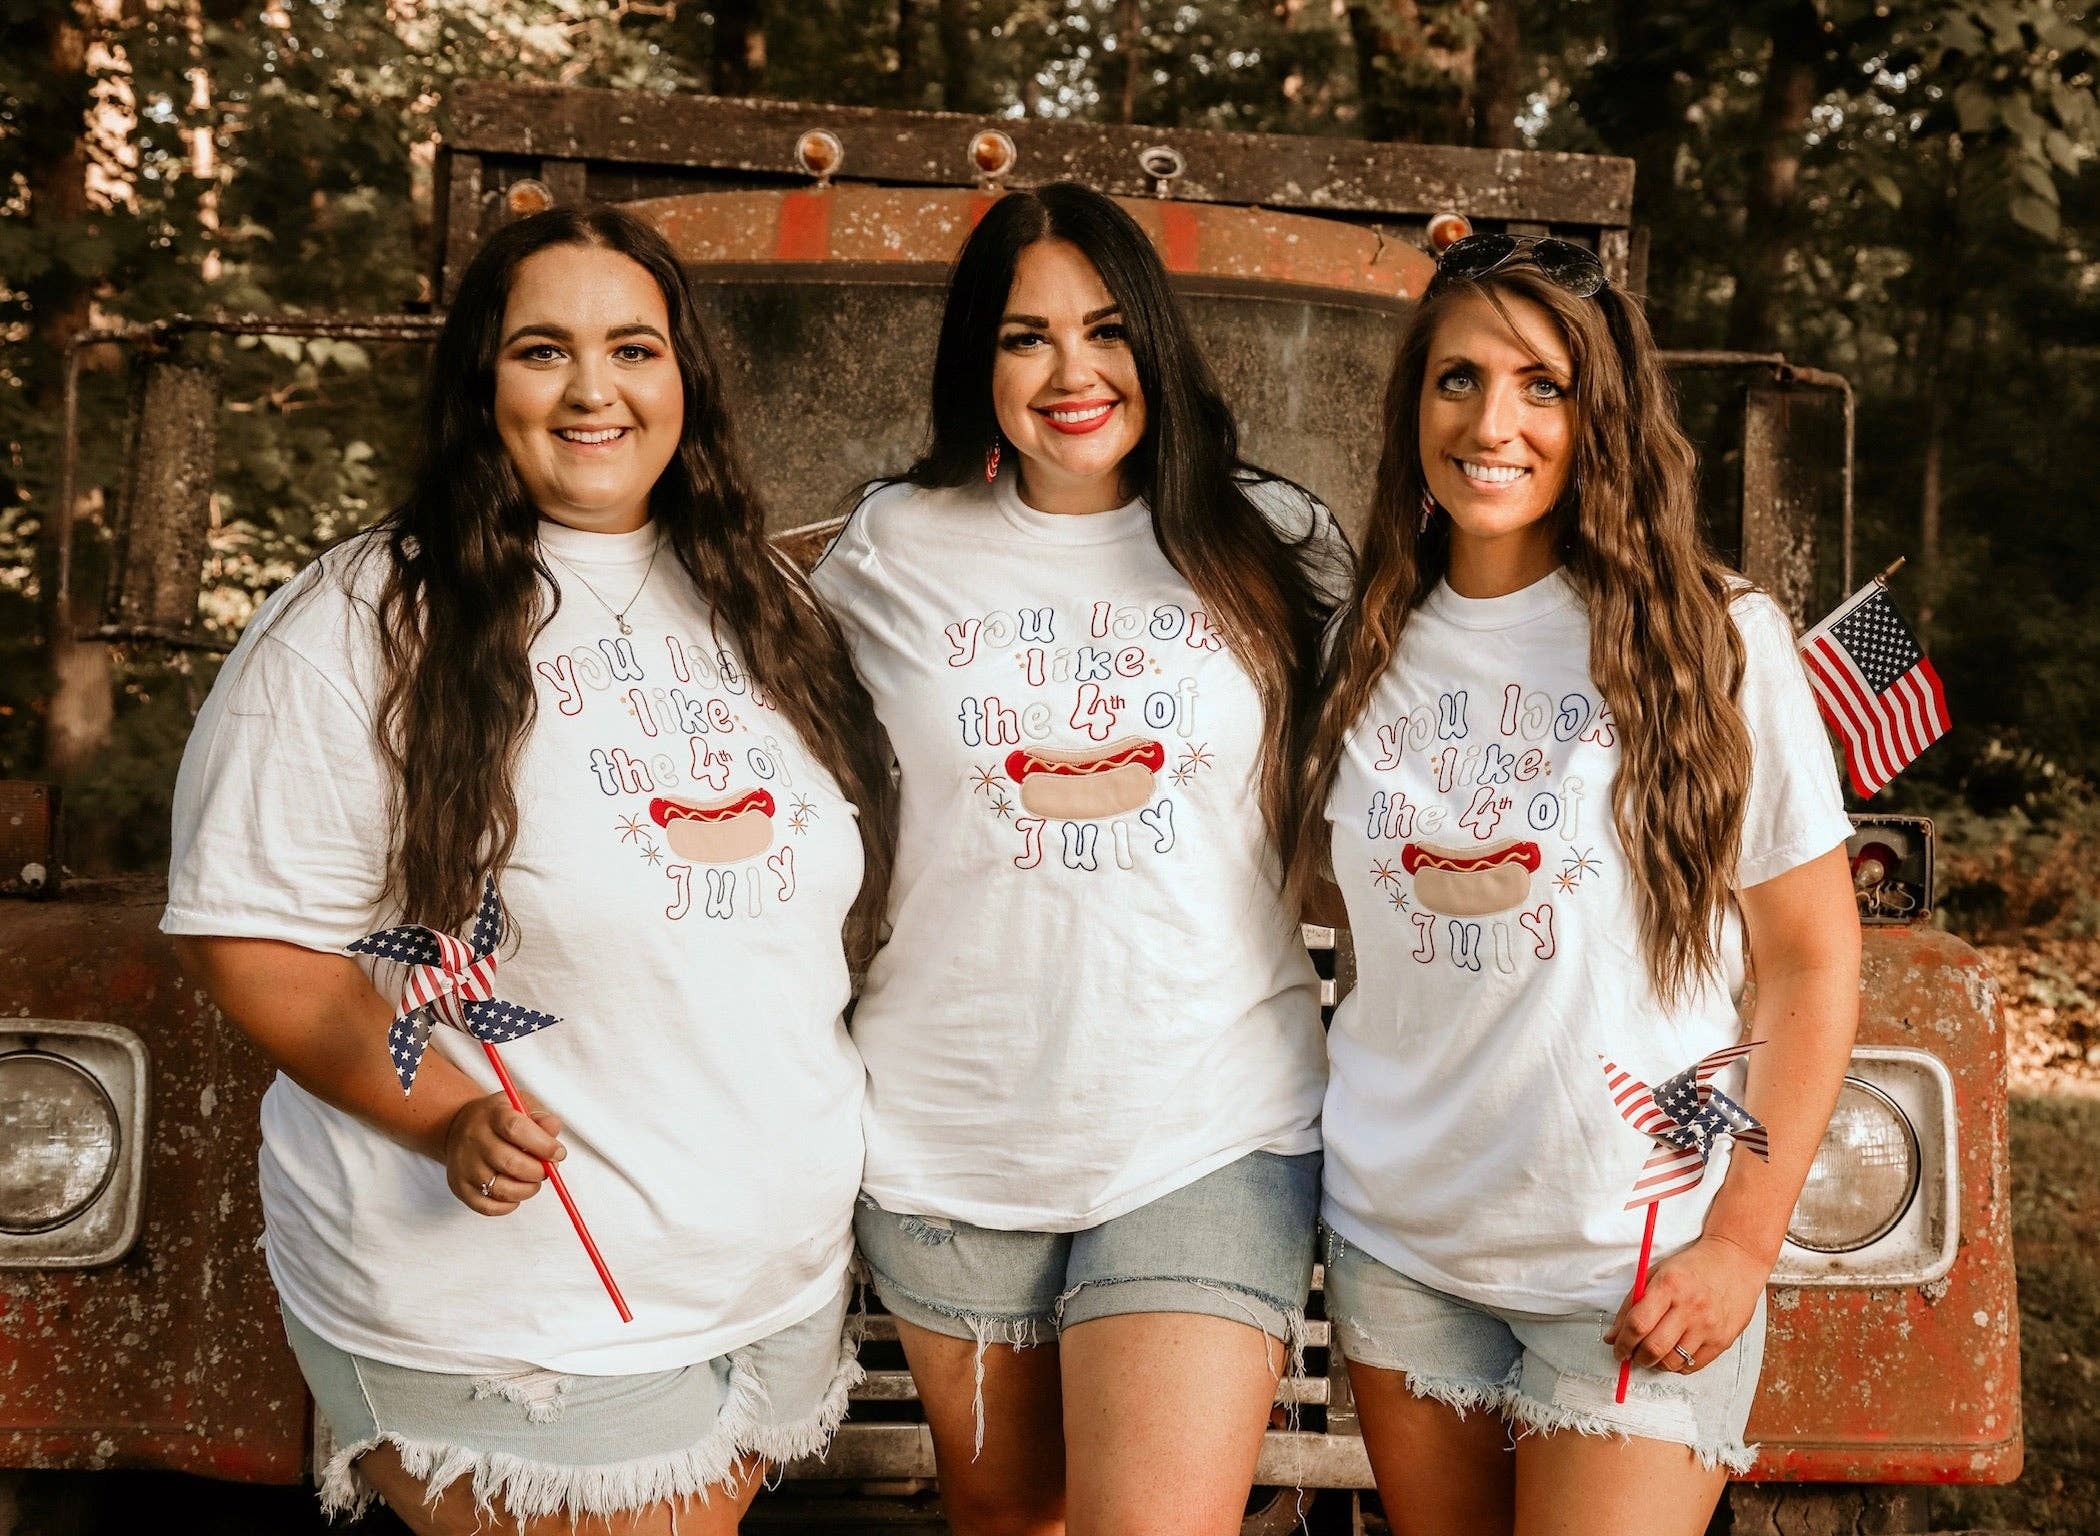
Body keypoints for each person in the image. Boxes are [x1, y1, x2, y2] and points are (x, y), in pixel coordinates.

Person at [163, 206, 894, 1536]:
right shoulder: (361, 620)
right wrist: (447, 1114)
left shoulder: (765, 605)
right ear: (479, 382)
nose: (593, 390)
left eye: (634, 349)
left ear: (684, 378)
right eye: (543, 351)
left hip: (764, 1292)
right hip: (518, 1311)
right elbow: (252, 941)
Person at [1296, 233, 1862, 1536]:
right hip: (1404, 1246)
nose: (1491, 423)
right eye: (1457, 379)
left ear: (1600, 411)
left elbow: (1812, 959)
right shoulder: (1354, 643)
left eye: (1542, 386)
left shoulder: (1714, 639)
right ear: (1414, 404)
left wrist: (1743, 1243)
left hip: (1637, 1257)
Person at [809, 182, 1351, 1535]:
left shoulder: (1271, 541)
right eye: (1025, 337)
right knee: (1010, 1518)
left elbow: (1384, 780)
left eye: (1106, 330)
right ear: (977, 363)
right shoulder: (890, 546)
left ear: (1154, 340)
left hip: (1208, 1115)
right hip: (951, 1124)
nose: (1071, 372)